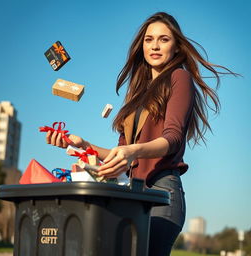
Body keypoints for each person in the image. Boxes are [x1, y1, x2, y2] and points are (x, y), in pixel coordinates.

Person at [45, 12, 238, 256]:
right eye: (149, 39)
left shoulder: (180, 77)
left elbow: (172, 138)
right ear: (141, 45)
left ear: (177, 46)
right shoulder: (136, 95)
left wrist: (132, 151)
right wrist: (82, 145)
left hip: (161, 194)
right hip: (131, 194)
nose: (155, 45)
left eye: (164, 39)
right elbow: (121, 151)